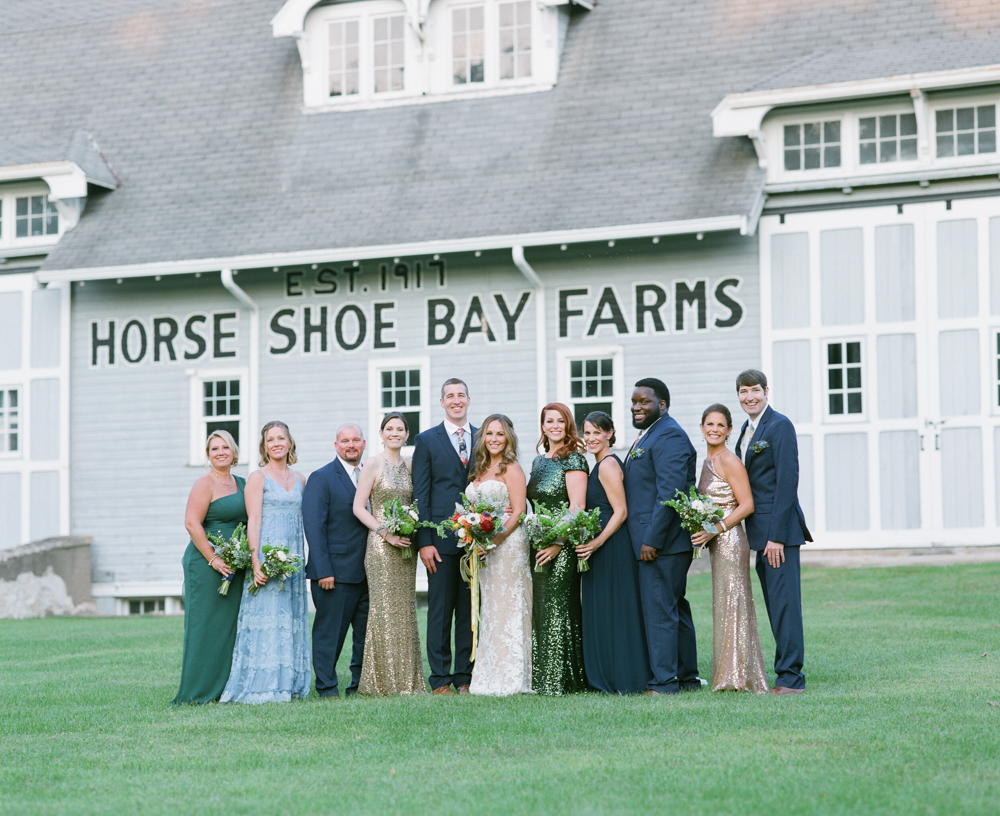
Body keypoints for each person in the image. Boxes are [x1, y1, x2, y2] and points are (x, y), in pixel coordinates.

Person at [734, 369, 812, 695]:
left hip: (778, 536)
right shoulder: (746, 429)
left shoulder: (779, 425)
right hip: (760, 534)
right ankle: (785, 671)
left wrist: (776, 537)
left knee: (785, 606)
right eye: (743, 392)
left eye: (754, 390)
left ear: (766, 390)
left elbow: (787, 482)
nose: (749, 397)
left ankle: (791, 679)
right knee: (774, 604)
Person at [221, 421, 310, 704]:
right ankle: (263, 685)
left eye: (280, 438)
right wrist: (255, 561)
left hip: (293, 559)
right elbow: (254, 520)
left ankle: (290, 683)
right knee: (268, 618)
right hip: (267, 556)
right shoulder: (257, 478)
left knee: (290, 618)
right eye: (270, 439)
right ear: (264, 446)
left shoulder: (301, 479)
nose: (276, 443)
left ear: (289, 442)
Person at [623, 378, 700, 696]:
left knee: (660, 612)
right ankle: (686, 677)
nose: (637, 407)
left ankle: (664, 682)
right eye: (634, 401)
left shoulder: (668, 435)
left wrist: (652, 540)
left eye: (645, 402)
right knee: (673, 608)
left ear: (662, 405)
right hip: (661, 543)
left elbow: (670, 493)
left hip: (662, 544)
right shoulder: (651, 434)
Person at [691, 404, 768, 693]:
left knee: (734, 604)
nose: (714, 429)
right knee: (723, 605)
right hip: (716, 544)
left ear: (729, 430)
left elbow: (747, 504)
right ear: (701, 428)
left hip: (731, 541)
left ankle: (738, 677)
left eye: (720, 425)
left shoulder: (728, 460)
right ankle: (730, 673)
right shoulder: (707, 460)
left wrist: (716, 529)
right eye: (709, 424)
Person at [576, 412, 650, 694]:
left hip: (612, 546)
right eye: (587, 433)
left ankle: (622, 677)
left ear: (609, 434)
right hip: (602, 546)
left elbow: (621, 512)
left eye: (597, 433)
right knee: (605, 610)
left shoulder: (607, 465)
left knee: (617, 610)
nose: (592, 438)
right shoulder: (599, 464)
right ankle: (608, 672)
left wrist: (596, 543)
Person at [412, 379, 478, 695]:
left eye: (460, 395)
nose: (456, 401)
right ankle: (440, 679)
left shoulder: (482, 437)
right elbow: (421, 494)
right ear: (441, 402)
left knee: (468, 610)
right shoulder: (427, 440)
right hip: (439, 540)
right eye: (449, 396)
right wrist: (424, 540)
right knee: (440, 610)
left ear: (468, 399)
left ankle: (464, 676)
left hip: (476, 540)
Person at [352, 412, 425, 696]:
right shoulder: (372, 463)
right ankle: (380, 682)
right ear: (381, 433)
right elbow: (359, 507)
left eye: (400, 429)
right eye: (390, 428)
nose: (395, 433)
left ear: (407, 435)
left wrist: (408, 530)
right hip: (382, 547)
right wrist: (386, 533)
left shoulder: (409, 466)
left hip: (406, 547)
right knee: (383, 611)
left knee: (405, 611)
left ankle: (408, 682)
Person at [172, 430, 248, 704]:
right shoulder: (204, 484)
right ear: (208, 455)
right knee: (205, 626)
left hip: (235, 565)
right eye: (214, 448)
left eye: (225, 447)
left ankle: (225, 689)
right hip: (205, 565)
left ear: (234, 451)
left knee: (228, 628)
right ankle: (197, 691)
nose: (220, 452)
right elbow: (192, 523)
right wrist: (214, 559)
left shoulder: (243, 483)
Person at [302, 423, 370, 698]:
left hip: (368, 571)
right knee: (329, 635)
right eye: (345, 441)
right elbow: (314, 528)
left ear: (363, 444)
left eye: (356, 440)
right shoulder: (322, 478)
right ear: (336, 446)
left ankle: (358, 685)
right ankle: (327, 688)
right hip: (335, 574)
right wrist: (323, 570)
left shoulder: (370, 474)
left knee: (365, 637)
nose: (351, 445)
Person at [526, 402, 589, 695]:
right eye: (548, 421)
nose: (554, 426)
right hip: (537, 544)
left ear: (567, 426)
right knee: (542, 608)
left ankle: (563, 679)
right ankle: (543, 677)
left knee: (559, 608)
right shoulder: (538, 462)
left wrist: (557, 543)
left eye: (559, 421)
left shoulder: (573, 460)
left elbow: (577, 507)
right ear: (542, 426)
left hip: (561, 547)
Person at [467, 415, 532, 697]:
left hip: (508, 545)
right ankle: (489, 675)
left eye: (500, 434)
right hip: (485, 547)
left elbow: (518, 511)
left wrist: (493, 540)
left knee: (510, 605)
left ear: (508, 439)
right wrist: (473, 535)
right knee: (491, 608)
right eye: (490, 433)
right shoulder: (480, 468)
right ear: (483, 437)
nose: (494, 439)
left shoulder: (512, 468)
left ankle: (513, 677)